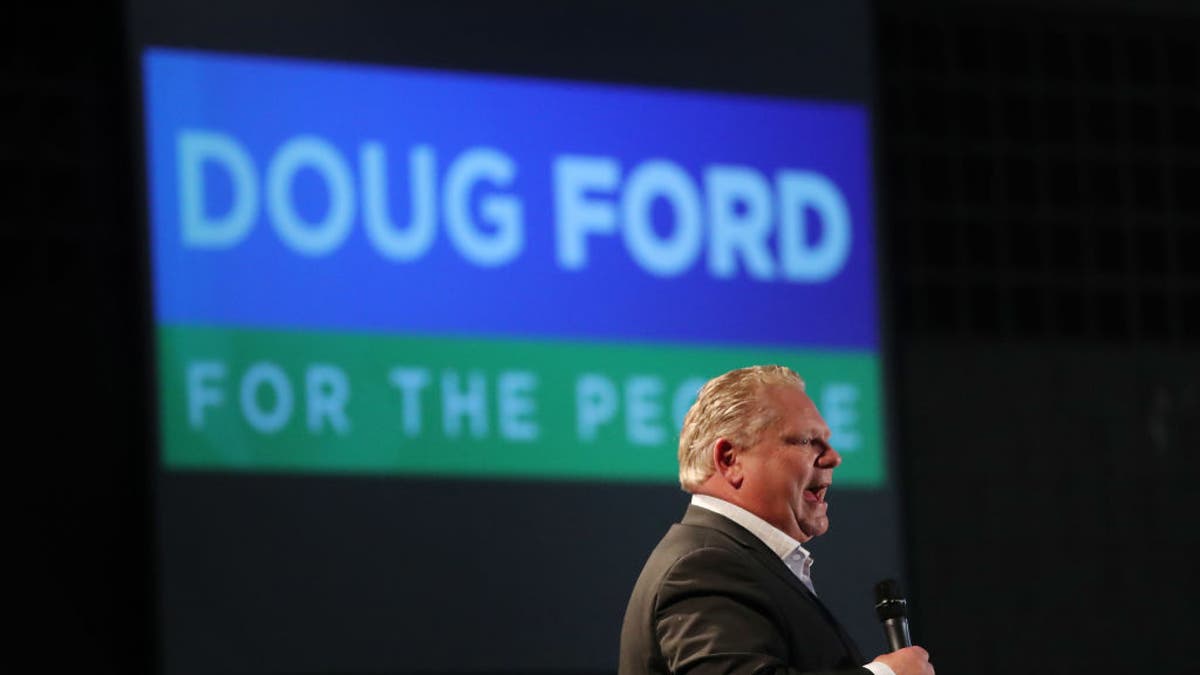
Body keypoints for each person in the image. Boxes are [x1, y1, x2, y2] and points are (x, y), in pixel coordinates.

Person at [618, 365, 934, 675]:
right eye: (808, 441)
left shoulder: (736, 561)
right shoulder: (704, 567)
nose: (833, 457)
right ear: (730, 460)